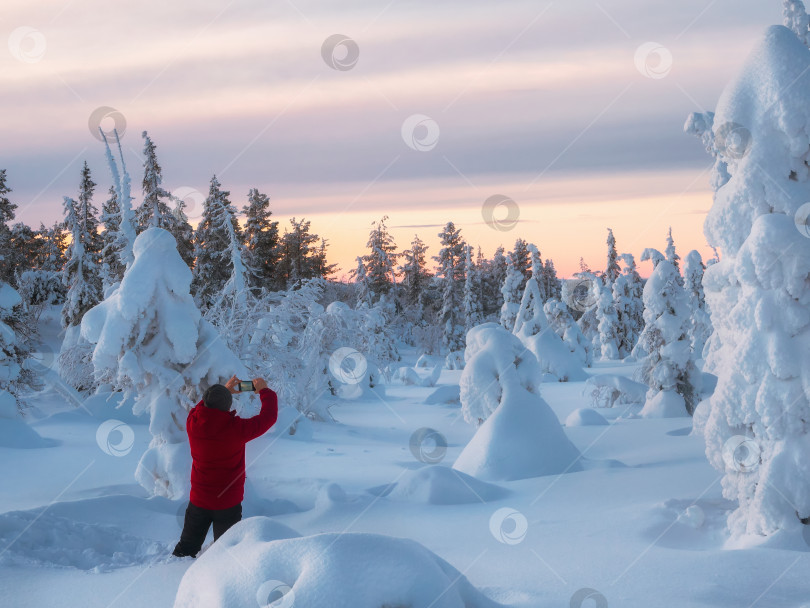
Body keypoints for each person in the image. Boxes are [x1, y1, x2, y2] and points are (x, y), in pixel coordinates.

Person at [172, 375, 278, 558]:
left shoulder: (193, 422)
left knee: (187, 547)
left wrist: (224, 390)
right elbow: (268, 417)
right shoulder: (237, 429)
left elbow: (201, 407)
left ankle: (177, 570)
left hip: (199, 499)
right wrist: (264, 391)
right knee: (227, 553)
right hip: (228, 502)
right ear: (228, 407)